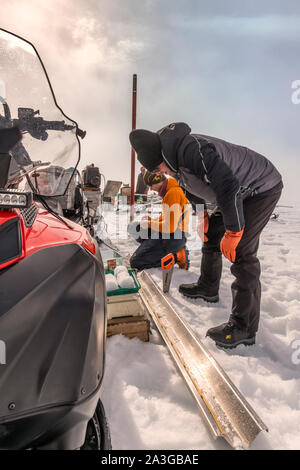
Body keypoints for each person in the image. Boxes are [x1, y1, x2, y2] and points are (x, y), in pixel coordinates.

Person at [129, 122, 283, 349]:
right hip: (234, 193)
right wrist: (203, 216)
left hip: (259, 188)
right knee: (211, 235)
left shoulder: (191, 149)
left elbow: (228, 185)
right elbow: (193, 190)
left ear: (162, 155)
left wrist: (234, 231)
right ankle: (208, 287)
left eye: (158, 168)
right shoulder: (175, 163)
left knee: (242, 251)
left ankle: (244, 327)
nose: (160, 173)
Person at [129, 170, 190, 271]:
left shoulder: (172, 193)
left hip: (173, 237)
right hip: (169, 234)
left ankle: (177, 255)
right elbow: (166, 218)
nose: (151, 189)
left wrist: (149, 224)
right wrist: (152, 221)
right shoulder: (169, 192)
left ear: (157, 181)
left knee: (136, 262)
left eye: (150, 186)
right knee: (135, 227)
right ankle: (153, 249)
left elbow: (169, 227)